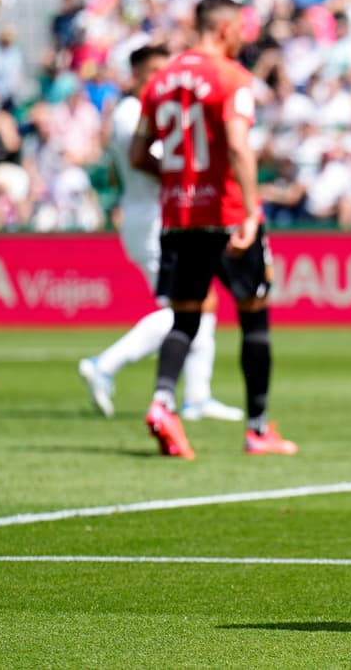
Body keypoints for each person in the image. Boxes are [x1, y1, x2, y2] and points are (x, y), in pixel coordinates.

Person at [129, 0, 296, 459]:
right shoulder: (231, 77)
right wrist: (250, 211)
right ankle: (257, 429)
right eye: (239, 29)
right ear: (224, 29)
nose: (242, 38)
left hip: (179, 217)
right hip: (226, 213)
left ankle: (163, 403)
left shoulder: (159, 81)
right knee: (254, 314)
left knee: (185, 318)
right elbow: (238, 145)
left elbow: (139, 155)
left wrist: (181, 181)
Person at [77, 44, 244, 422]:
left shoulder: (140, 110)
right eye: (153, 71)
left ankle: (197, 396)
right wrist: (187, 174)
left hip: (155, 216)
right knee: (185, 309)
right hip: (152, 219)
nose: (162, 79)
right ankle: (105, 365)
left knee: (202, 302)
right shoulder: (132, 112)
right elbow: (141, 159)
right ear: (135, 75)